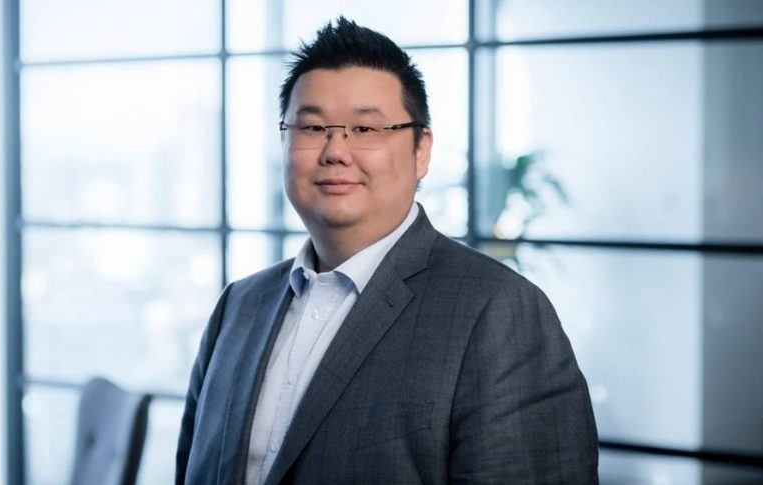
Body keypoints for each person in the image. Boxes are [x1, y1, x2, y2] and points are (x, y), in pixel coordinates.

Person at [176, 17, 598, 485]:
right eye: (312, 127)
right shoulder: (238, 308)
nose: (336, 150)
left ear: (422, 150)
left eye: (365, 128)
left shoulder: (499, 312)